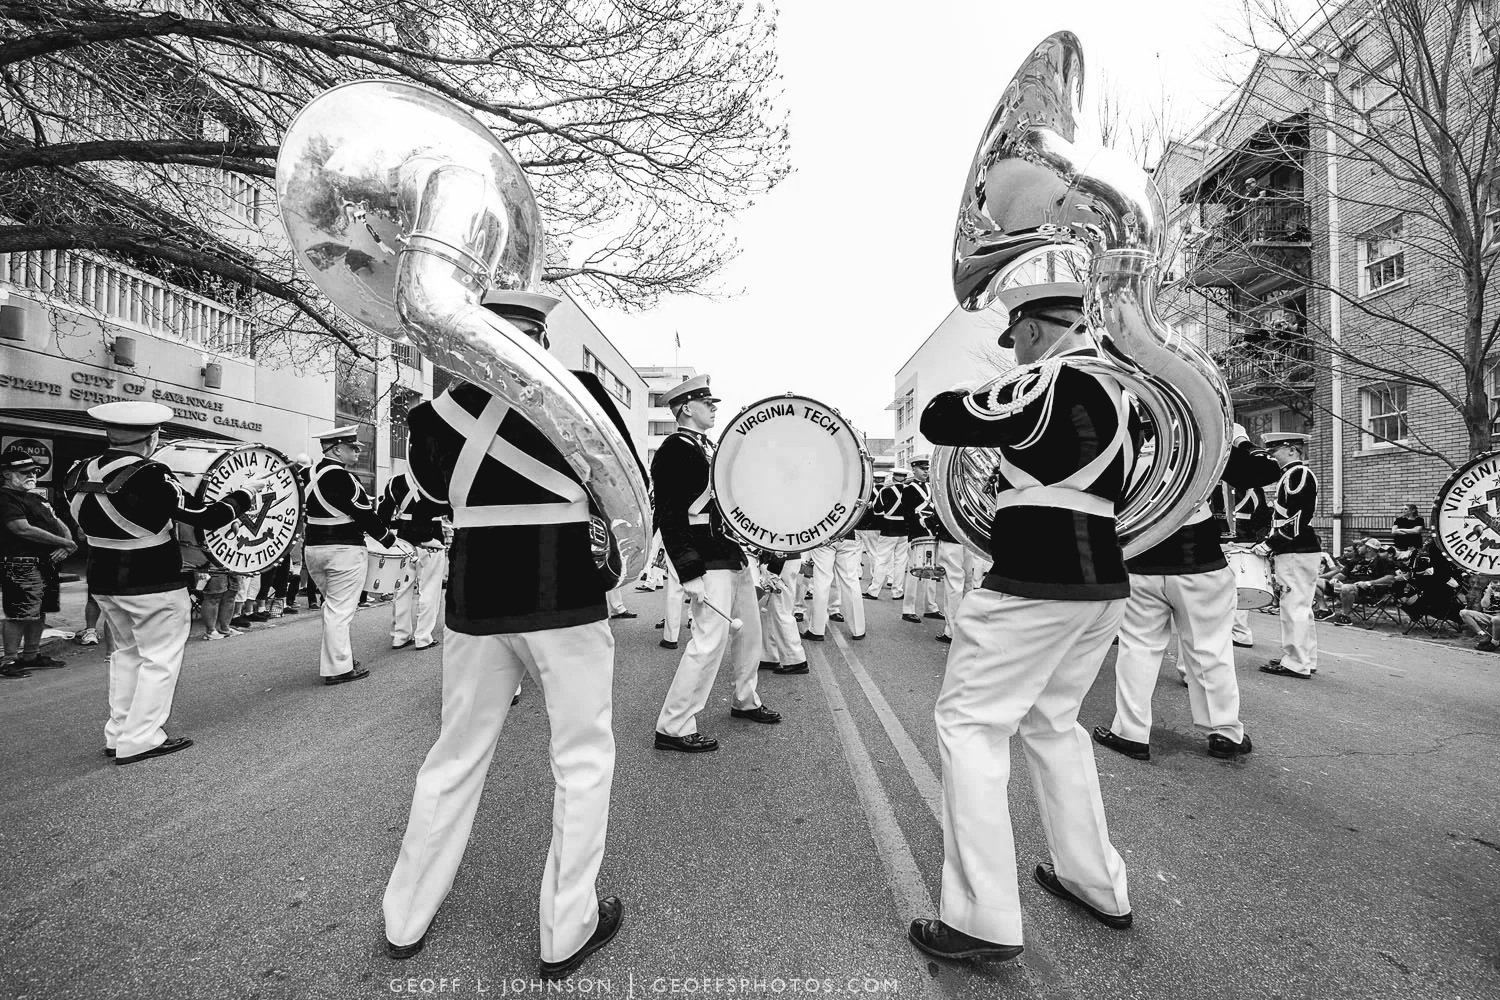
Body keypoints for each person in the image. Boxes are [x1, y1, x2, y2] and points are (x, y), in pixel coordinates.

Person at [382, 288, 640, 977]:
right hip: (562, 594)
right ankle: (565, 929)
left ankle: (405, 916)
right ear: (539, 339)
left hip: (475, 596)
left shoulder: (433, 412)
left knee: (455, 754)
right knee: (582, 759)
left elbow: (434, 497)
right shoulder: (579, 391)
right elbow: (623, 487)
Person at [909, 283, 1137, 964]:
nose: (1016, 351)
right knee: (1053, 725)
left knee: (972, 727)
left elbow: (941, 419)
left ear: (1035, 331)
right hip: (1102, 581)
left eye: (1018, 338)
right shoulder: (1125, 394)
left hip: (1038, 578)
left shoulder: (1052, 380)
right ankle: (1095, 881)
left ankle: (981, 917)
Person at [66, 402, 262, 762]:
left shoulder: (78, 470)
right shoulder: (152, 473)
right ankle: (142, 737)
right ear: (152, 437)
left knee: (126, 654)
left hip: (104, 579)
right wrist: (245, 494)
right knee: (159, 659)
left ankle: (119, 732)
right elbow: (206, 517)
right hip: (152, 579)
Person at [1092, 424, 1280, 763]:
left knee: (1138, 649)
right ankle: (1223, 731)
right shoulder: (1201, 438)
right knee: (1210, 650)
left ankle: (1130, 732)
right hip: (1199, 561)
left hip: (1140, 561)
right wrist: (1238, 440)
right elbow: (1263, 471)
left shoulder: (1122, 437)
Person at [652, 374, 779, 753]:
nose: (714, 409)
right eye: (707, 404)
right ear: (686, 409)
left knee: (750, 632)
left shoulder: (706, 447)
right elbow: (670, 513)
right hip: (705, 557)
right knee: (709, 640)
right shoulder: (675, 448)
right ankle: (673, 725)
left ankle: (745, 698)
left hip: (728, 554)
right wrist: (687, 569)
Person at [303, 426, 401, 685]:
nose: (358, 451)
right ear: (336, 449)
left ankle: (341, 658)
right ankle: (338, 667)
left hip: (313, 549)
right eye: (352, 447)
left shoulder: (305, 475)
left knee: (332, 607)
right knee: (340, 610)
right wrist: (388, 540)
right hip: (343, 550)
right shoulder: (345, 478)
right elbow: (366, 516)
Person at [1, 449, 76, 677]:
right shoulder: (6, 497)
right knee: (20, 614)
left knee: (40, 611)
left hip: (46, 561)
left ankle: (31, 655)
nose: (31, 476)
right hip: (21, 562)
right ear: (6, 473)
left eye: (33, 471)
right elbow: (21, 529)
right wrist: (65, 542)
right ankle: (9, 661)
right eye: (24, 472)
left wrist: (66, 543)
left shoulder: (36, 497)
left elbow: (57, 520)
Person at [1258, 432, 1320, 679]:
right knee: (1302, 606)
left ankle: (1296, 662)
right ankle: (1306, 658)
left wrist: (1271, 543)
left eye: (1275, 451)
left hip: (1295, 548)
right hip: (1299, 549)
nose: (1271, 456)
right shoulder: (1292, 474)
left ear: (1292, 449)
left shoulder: (1298, 474)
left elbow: (1298, 519)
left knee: (1293, 605)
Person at [379, 469, 452, 651]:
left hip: (403, 540)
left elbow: (384, 513)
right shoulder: (437, 478)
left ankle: (400, 636)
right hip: (431, 536)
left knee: (402, 589)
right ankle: (423, 637)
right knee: (430, 589)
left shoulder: (394, 482)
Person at [802, 533, 867, 643]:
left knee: (822, 581)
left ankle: (817, 630)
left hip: (823, 535)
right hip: (848, 534)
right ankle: (858, 629)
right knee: (851, 580)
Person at [900, 456, 941, 624]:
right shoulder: (908, 489)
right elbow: (908, 515)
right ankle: (908, 609)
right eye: (922, 469)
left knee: (931, 571)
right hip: (918, 535)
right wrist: (916, 532)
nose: (926, 471)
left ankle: (930, 607)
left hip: (932, 533)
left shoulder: (932, 488)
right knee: (914, 572)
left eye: (927, 469)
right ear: (914, 469)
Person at [756, 549, 807, 674]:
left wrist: (772, 569)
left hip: (780, 558)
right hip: (780, 557)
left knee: (780, 609)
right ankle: (769, 655)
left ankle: (795, 659)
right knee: (770, 610)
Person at [1329, 537, 1398, 625]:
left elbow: (1390, 578)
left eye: (1360, 546)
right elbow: (1342, 574)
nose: (1357, 548)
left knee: (1346, 588)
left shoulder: (1383, 561)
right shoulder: (1356, 560)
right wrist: (1335, 578)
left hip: (1368, 591)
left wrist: (1369, 583)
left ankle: (1345, 616)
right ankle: (1324, 610)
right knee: (1319, 582)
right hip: (1346, 587)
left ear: (1369, 548)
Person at [863, 469, 909, 600]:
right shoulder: (911, 490)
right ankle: (898, 592)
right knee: (900, 562)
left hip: (889, 528)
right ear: (905, 478)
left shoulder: (885, 491)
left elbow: (877, 510)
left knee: (881, 560)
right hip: (905, 529)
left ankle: (874, 591)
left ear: (894, 477)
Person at [1459, 576, 1500, 650]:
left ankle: (1494, 643)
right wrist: (1489, 591)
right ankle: (1483, 635)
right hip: (1488, 616)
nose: (1498, 584)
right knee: (1464, 613)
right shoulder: (1488, 591)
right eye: (1495, 582)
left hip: (1498, 618)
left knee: (1496, 619)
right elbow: (1484, 605)